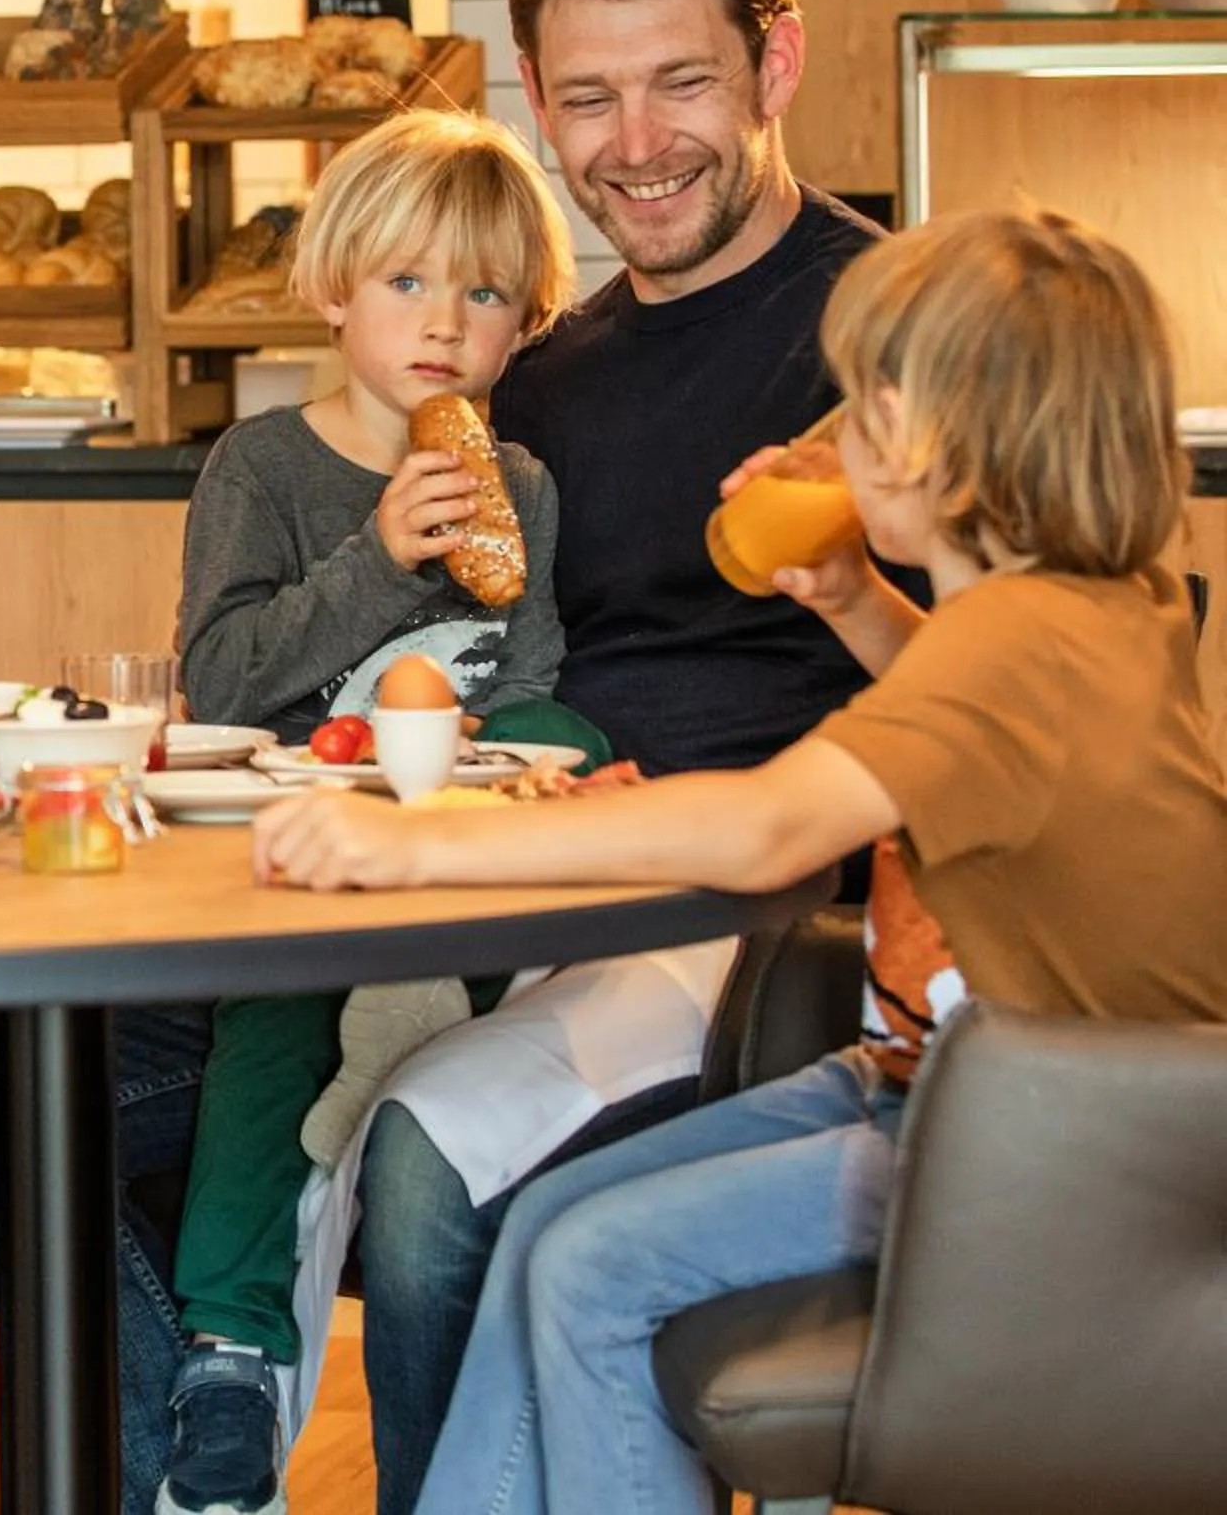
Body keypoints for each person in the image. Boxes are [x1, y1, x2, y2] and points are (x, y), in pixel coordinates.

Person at [0, 0, 893, 1514]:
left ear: (776, 64)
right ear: (535, 95)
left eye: (683, 85)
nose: (636, 146)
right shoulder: (520, 382)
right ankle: (197, 1473)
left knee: (432, 1165)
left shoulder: (889, 327)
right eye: (589, 99)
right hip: (458, 886)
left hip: (733, 914)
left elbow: (1024, 677)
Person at [256, 206, 1227, 1514]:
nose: (835, 435)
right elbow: (984, 742)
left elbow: (769, 824)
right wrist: (852, 599)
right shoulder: (1098, 606)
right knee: (544, 1227)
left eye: (863, 403)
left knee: (594, 1271)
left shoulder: (1017, 645)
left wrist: (413, 843)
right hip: (952, 1093)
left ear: (944, 448)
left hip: (1051, 1156)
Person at [155, 111, 579, 1515]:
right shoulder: (264, 471)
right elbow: (222, 680)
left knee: (570, 731)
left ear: (525, 322)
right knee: (269, 1033)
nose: (444, 325)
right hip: (303, 853)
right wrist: (381, 558)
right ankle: (228, 1345)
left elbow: (525, 675)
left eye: (484, 294)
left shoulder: (519, 484)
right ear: (336, 289)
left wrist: (520, 757)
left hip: (444, 854)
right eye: (407, 283)